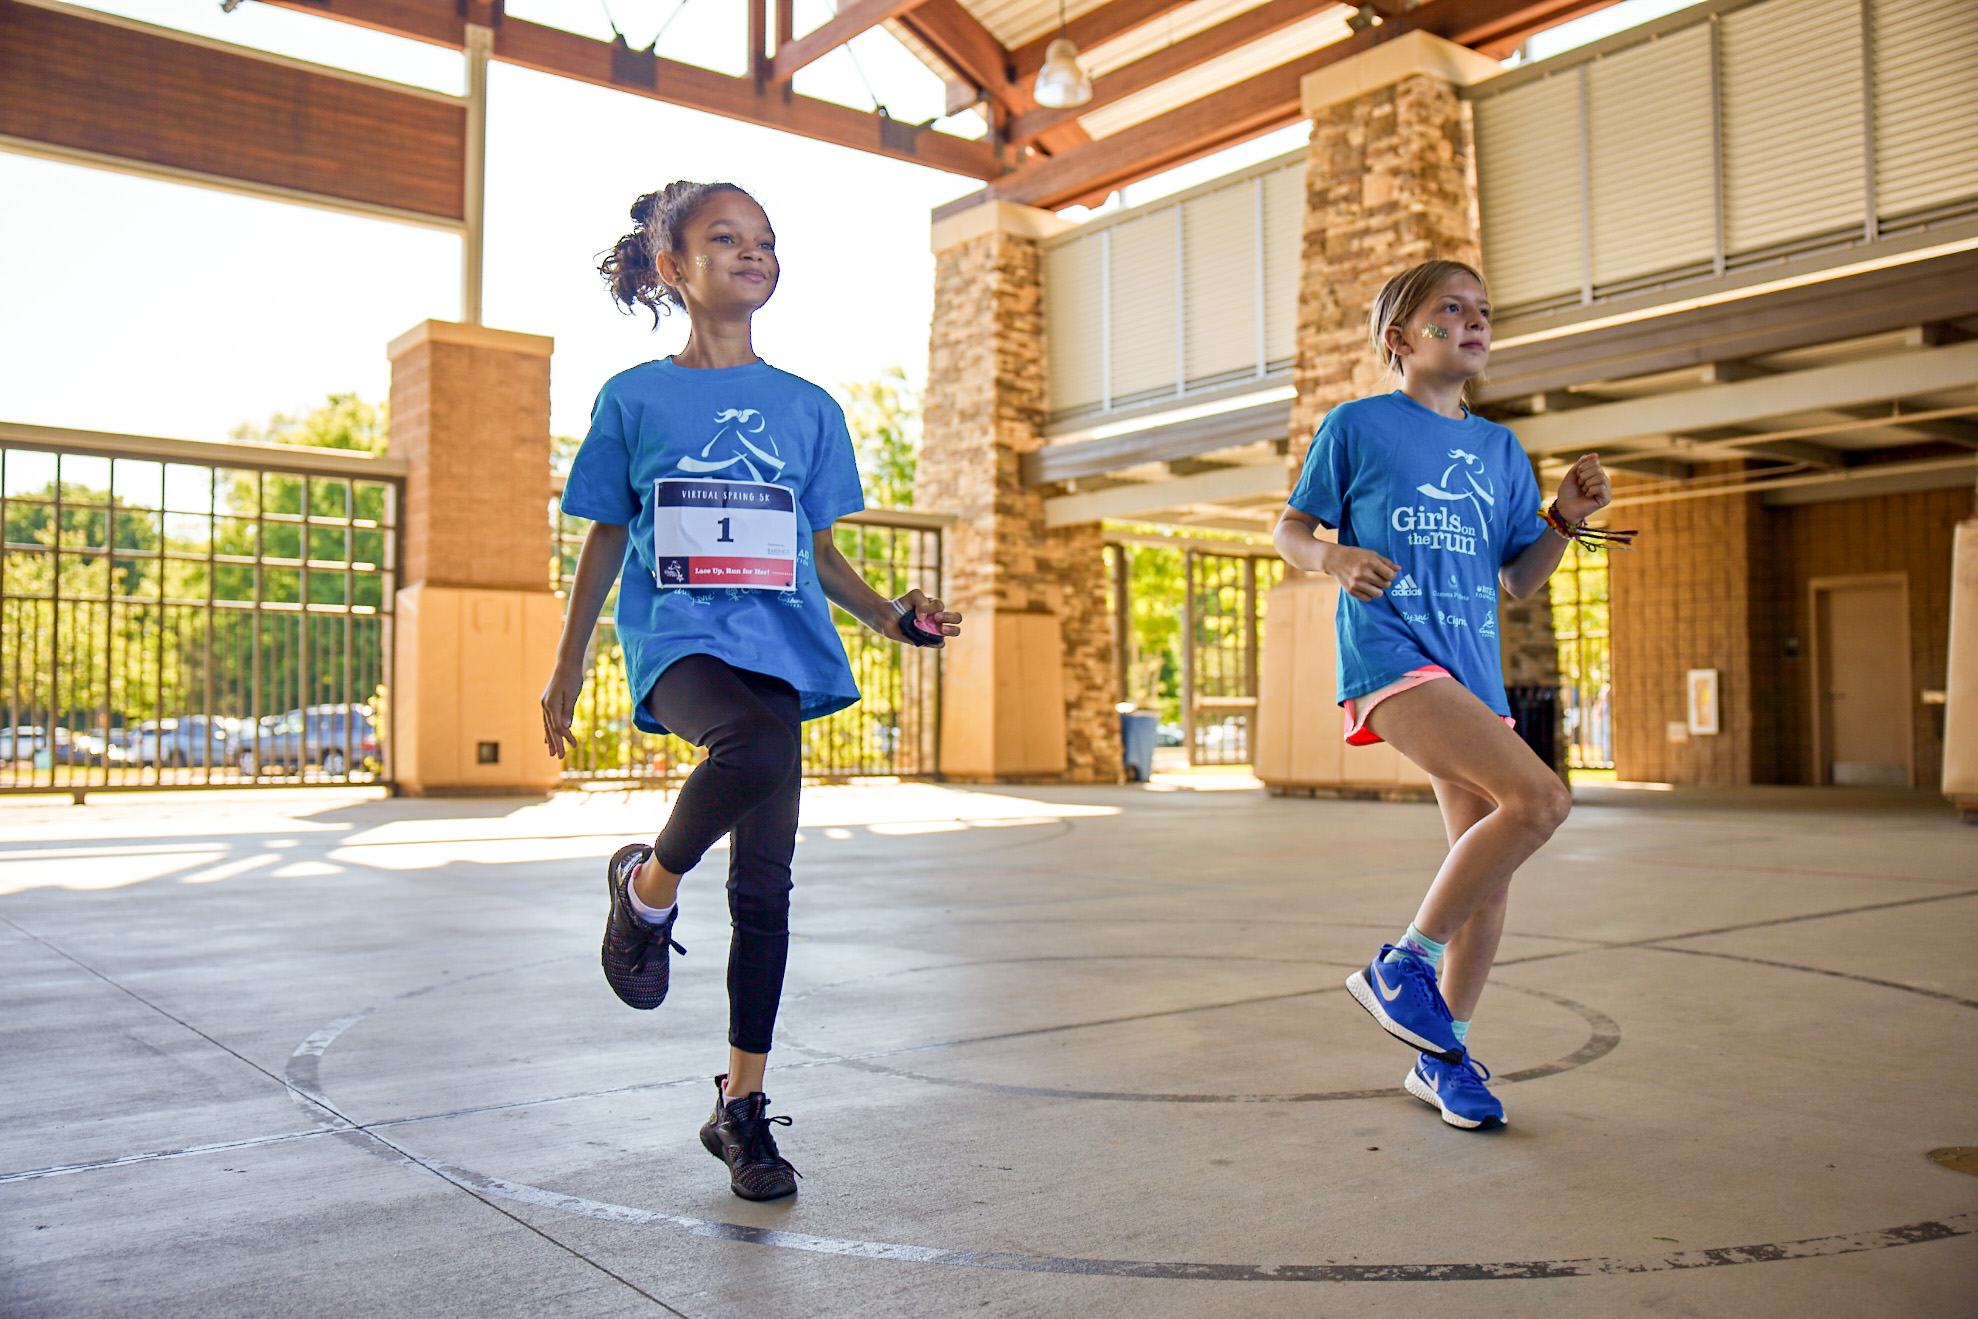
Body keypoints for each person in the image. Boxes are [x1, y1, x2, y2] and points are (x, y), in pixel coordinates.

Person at [541, 181, 960, 1199]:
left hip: (784, 645)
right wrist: (568, 660)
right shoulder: (633, 398)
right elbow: (603, 532)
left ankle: (740, 1107)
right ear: (675, 269)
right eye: (724, 238)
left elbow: (818, 552)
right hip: (680, 642)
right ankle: (645, 889)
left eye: (764, 239)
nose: (751, 252)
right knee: (754, 749)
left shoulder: (810, 406)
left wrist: (890, 617)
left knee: (764, 890)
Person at [1272, 258, 1617, 1131]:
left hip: (1474, 673)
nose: (1472, 322)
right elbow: (1291, 529)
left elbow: (1519, 581)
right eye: (1449, 310)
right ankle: (1404, 962)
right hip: (1393, 656)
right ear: (1400, 339)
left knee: (1489, 876)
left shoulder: (1500, 449)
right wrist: (1334, 557)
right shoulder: (1357, 426)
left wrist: (1563, 519)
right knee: (1540, 798)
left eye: (1482, 312)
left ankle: (1445, 1055)